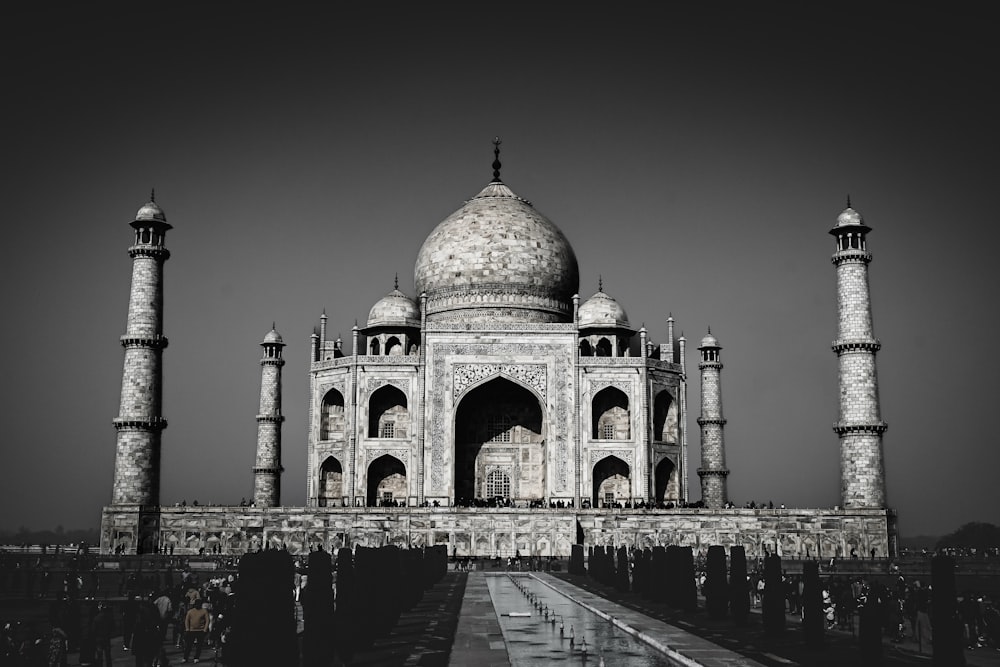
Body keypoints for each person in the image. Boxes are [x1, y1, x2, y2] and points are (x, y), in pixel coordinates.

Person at [183, 599, 210, 663]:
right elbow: (187, 620)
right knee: (189, 645)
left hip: (201, 630)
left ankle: (196, 657)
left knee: (199, 646)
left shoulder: (204, 611)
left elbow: (207, 620)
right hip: (191, 630)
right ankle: (185, 657)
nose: (197, 605)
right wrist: (187, 629)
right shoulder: (190, 611)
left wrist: (205, 629)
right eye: (196, 604)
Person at [91, 602, 114, 667]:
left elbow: (93, 630)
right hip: (106, 637)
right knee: (108, 656)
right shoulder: (109, 618)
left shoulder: (96, 618)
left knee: (99, 656)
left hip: (99, 638)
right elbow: (112, 627)